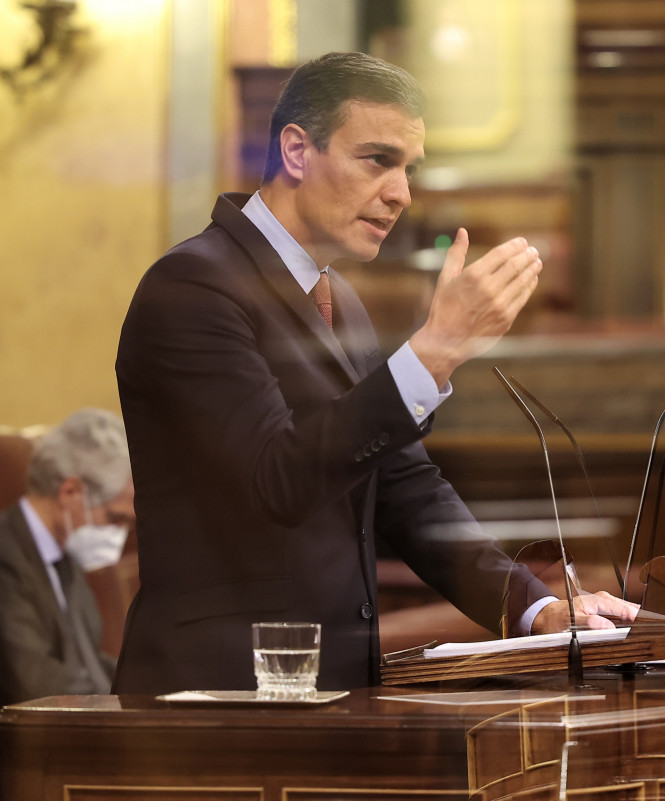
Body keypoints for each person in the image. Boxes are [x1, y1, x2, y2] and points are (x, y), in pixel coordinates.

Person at [112, 52, 637, 695]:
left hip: (329, 693)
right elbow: (275, 481)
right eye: (378, 160)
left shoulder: (342, 300)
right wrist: (434, 351)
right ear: (298, 152)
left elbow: (404, 488)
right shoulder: (193, 286)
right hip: (217, 699)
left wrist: (536, 610)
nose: (402, 194)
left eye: (408, 169)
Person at [0, 409, 135, 704]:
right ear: (71, 491)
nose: (121, 533)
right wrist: (115, 709)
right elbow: (34, 680)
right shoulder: (6, 555)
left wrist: (151, 687)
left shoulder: (67, 559)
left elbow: (86, 662)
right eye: (115, 518)